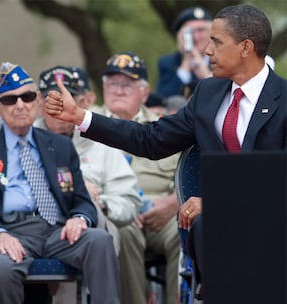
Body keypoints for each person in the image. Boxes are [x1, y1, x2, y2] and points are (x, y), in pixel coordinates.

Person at [45, 4, 287, 300]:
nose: (206, 50)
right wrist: (82, 117)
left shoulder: (284, 100)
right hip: (215, 228)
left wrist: (219, 201)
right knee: (203, 223)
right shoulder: (208, 94)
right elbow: (151, 139)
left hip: (272, 219)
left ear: (246, 48)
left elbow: (278, 178)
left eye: (216, 41)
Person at [0, 61, 120, 304]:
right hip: (9, 230)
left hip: (58, 230)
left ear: (38, 101)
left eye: (27, 96)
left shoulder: (60, 145)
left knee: (100, 241)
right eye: (10, 100)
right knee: (1, 270)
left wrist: (80, 217)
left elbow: (82, 199)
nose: (20, 105)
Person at [36, 65, 142, 303]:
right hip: (38, 226)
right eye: (51, 98)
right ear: (39, 103)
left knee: (101, 234)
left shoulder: (100, 139)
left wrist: (99, 204)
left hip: (91, 225)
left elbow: (129, 200)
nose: (59, 103)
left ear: (81, 101)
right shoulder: (26, 137)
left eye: (68, 97)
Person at [95, 51, 181, 304]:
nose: (118, 90)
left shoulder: (164, 128)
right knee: (123, 231)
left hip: (161, 213)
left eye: (127, 84)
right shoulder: (86, 124)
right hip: (113, 210)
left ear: (144, 92)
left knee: (185, 230)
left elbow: (186, 175)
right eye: (112, 83)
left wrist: (172, 204)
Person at [157, 6, 213, 99]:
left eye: (201, 30)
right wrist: (185, 66)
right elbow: (164, 99)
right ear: (179, 36)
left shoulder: (222, 60)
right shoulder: (168, 63)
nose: (196, 37)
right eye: (189, 32)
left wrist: (205, 74)